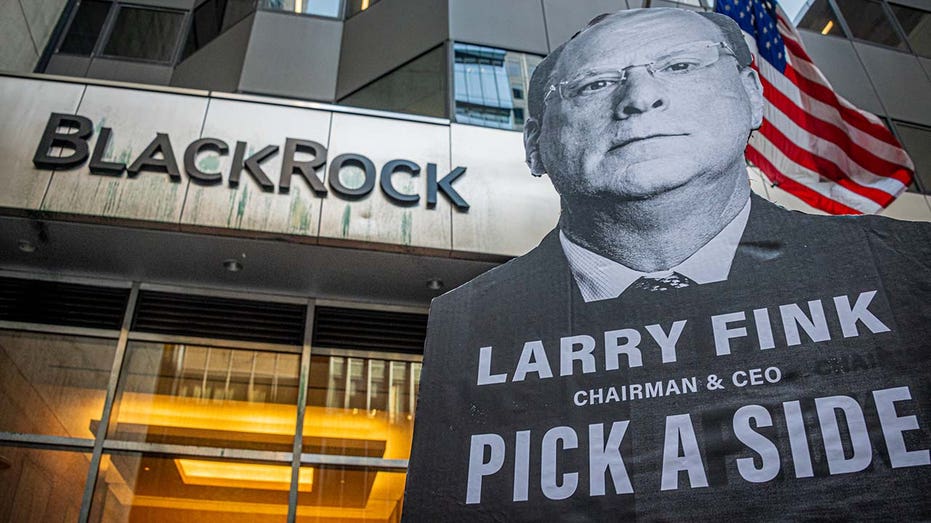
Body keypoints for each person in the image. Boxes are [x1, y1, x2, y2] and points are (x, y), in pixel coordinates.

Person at [404, 8, 931, 521]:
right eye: (594, 85)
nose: (640, 98)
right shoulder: (473, 326)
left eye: (680, 65)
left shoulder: (904, 271)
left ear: (751, 98)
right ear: (535, 145)